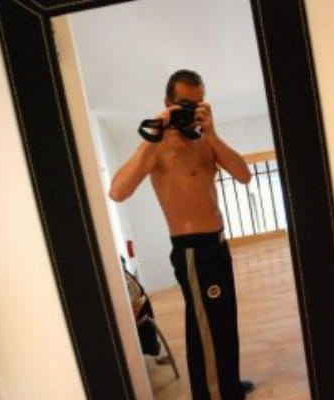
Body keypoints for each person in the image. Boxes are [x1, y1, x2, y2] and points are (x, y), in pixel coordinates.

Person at [109, 69, 255, 400]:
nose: (191, 109)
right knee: (206, 328)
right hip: (192, 251)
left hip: (218, 245)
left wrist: (213, 133)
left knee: (224, 320)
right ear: (168, 103)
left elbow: (244, 175)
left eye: (198, 102)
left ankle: (228, 386)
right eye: (184, 103)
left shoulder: (205, 142)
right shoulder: (157, 148)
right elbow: (117, 191)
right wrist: (154, 135)